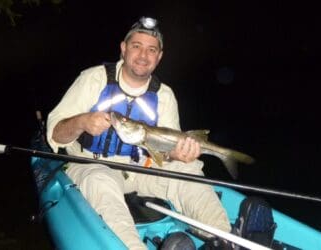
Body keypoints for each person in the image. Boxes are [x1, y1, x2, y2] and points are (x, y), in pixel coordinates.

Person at [46, 16, 231, 249]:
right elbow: (55, 134)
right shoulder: (92, 79)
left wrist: (179, 155)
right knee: (99, 181)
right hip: (92, 164)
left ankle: (225, 239)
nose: (143, 55)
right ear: (123, 49)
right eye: (136, 46)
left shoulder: (164, 95)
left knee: (188, 169)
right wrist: (82, 122)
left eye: (151, 50)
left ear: (159, 57)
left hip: (143, 169)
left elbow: (164, 155)